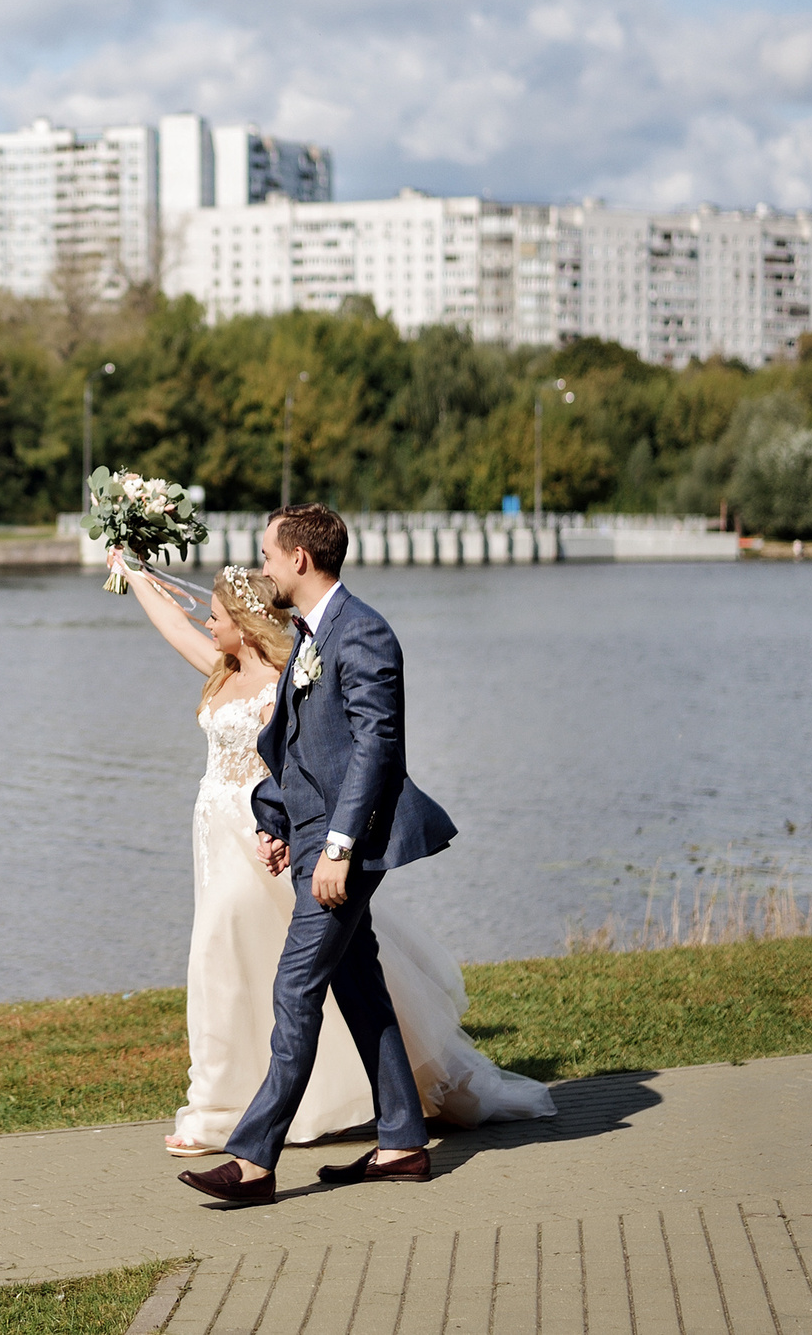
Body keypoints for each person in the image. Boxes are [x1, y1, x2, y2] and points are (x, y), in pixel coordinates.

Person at [112, 505, 552, 1204]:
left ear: (300, 560)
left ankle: (254, 1159)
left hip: (345, 851)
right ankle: (404, 1142)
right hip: (312, 839)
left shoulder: (364, 632)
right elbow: (302, 751)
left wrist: (340, 848)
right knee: (360, 989)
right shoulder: (314, 636)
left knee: (294, 989)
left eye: (266, 555)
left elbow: (378, 750)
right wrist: (274, 816)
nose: (261, 569)